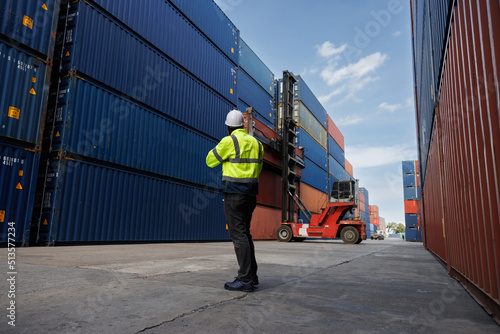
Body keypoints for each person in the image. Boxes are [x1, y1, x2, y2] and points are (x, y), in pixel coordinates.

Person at [206, 109, 264, 292]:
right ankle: (252, 276)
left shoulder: (229, 141)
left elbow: (210, 160)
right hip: (251, 195)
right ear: (243, 125)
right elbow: (259, 168)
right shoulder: (257, 144)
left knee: (238, 235)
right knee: (245, 234)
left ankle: (245, 279)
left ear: (229, 127)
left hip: (234, 195)